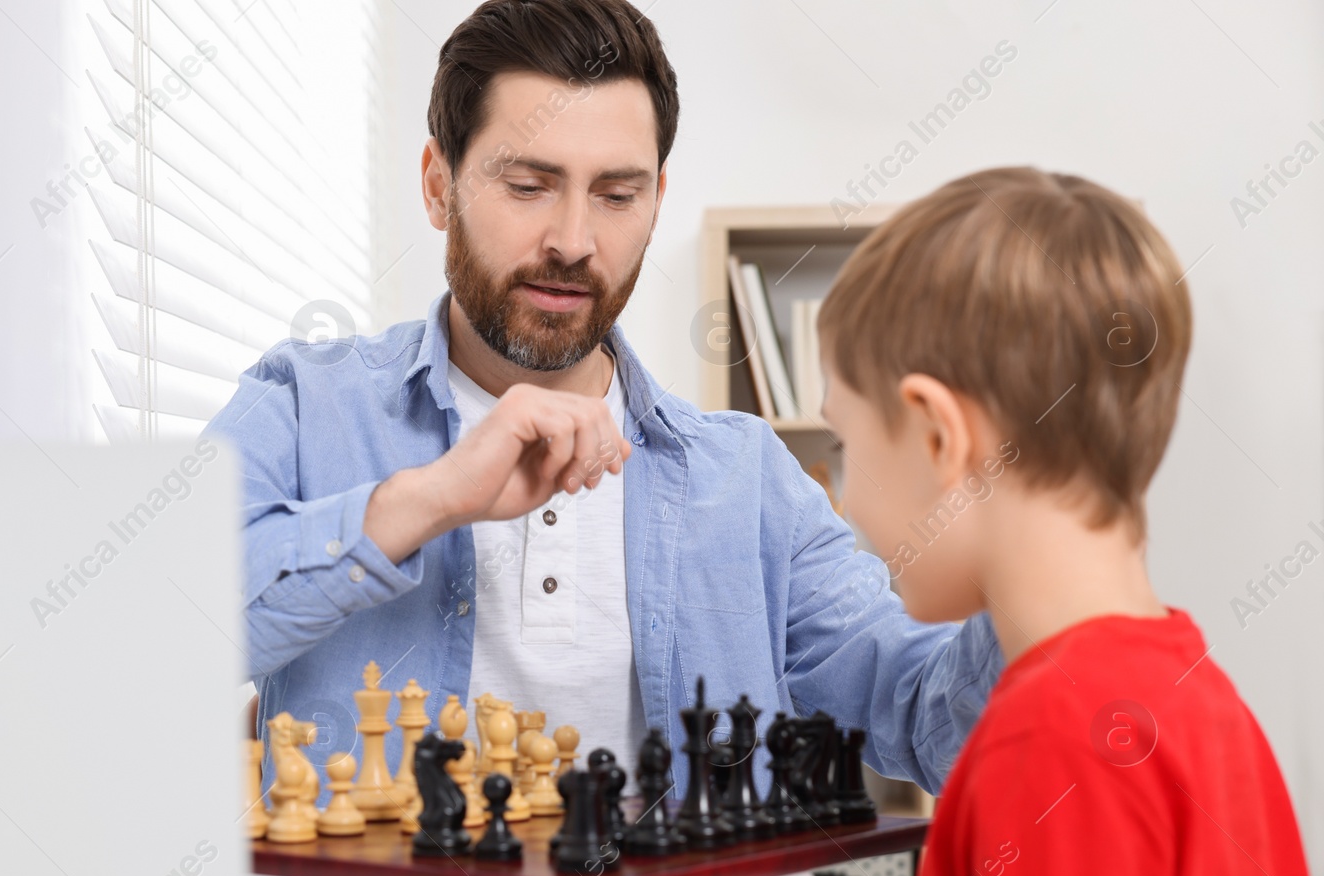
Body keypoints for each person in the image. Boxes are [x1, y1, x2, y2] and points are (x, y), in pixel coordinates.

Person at [205, 0, 1003, 789]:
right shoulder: (308, 403)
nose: (574, 241)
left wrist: (1033, 520)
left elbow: (932, 723)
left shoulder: (750, 479)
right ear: (437, 185)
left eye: (617, 196)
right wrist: (430, 498)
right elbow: (160, 637)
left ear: (656, 198)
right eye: (528, 185)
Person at [818, 166, 1324, 876]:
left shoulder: (1048, 741)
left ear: (939, 436)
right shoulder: (1201, 696)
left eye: (845, 448)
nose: (842, 500)